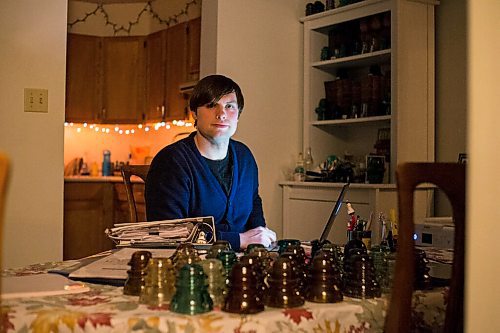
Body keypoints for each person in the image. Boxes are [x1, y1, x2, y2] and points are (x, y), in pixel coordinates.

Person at [145, 74, 276, 251]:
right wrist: (237, 240)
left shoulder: (245, 157)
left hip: (240, 264)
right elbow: (169, 232)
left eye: (229, 106)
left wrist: (261, 238)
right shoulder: (171, 162)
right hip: (188, 266)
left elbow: (253, 206)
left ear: (238, 115)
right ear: (194, 113)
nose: (221, 114)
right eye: (211, 105)